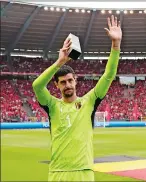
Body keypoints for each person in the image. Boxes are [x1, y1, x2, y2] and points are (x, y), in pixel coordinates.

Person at [32, 15, 122, 181]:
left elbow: (109, 75)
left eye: (70, 80)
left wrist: (115, 45)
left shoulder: (89, 101)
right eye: (63, 82)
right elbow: (37, 86)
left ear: (76, 81)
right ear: (57, 85)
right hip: (57, 173)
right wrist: (59, 62)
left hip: (83, 172)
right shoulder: (52, 105)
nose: (67, 85)